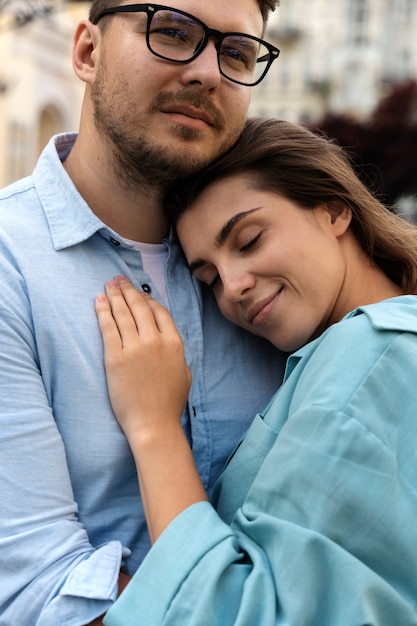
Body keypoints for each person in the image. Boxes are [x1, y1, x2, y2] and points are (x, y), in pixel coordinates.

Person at [0, 4, 284, 625]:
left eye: (237, 53)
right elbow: (38, 587)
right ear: (87, 53)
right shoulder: (8, 265)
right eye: (174, 33)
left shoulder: (277, 270)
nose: (209, 71)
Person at [95, 117, 417, 625]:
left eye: (248, 240)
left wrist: (154, 428)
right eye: (208, 278)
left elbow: (243, 616)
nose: (233, 286)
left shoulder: (372, 355)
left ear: (333, 210)